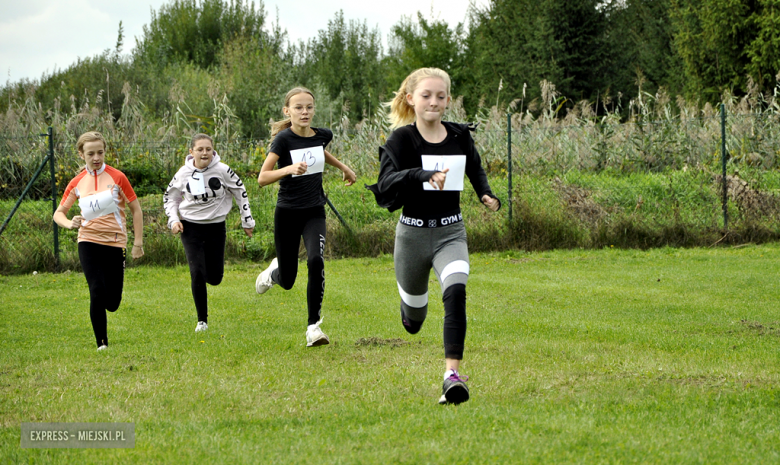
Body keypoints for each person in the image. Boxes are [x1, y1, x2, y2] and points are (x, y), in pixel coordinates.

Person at [366, 68, 501, 404]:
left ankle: (451, 376)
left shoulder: (459, 136)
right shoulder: (401, 140)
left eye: (441, 96)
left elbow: (474, 165)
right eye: (426, 95)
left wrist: (485, 192)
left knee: (456, 292)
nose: (434, 101)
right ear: (411, 99)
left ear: (449, 100)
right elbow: (385, 185)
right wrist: (423, 174)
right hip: (411, 236)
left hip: (450, 233)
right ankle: (409, 310)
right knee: (414, 321)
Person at [255, 87, 356, 347]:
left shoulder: (323, 135)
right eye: (298, 107)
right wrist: (288, 169)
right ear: (287, 111)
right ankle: (273, 273)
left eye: (309, 107)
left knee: (316, 260)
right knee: (288, 281)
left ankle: (313, 328)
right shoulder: (283, 140)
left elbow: (319, 150)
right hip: (287, 213)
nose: (305, 112)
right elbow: (262, 178)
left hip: (314, 211)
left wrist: (343, 167)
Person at [53, 131, 145, 351]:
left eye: (100, 152)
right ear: (81, 154)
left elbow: (136, 209)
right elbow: (58, 214)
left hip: (115, 243)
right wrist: (69, 223)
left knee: (112, 302)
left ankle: (104, 303)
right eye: (91, 153)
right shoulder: (76, 182)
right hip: (88, 240)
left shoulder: (118, 177)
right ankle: (101, 344)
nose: (96, 158)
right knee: (96, 289)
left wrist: (138, 243)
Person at [164, 133, 255, 332]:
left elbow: (240, 191)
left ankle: (205, 274)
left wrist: (246, 219)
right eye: (200, 149)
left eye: (208, 149)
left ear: (213, 151)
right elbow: (170, 198)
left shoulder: (222, 170)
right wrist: (174, 220)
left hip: (215, 226)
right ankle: (202, 321)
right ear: (191, 152)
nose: (204, 153)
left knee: (214, 278)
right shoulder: (183, 173)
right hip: (190, 227)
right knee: (196, 272)